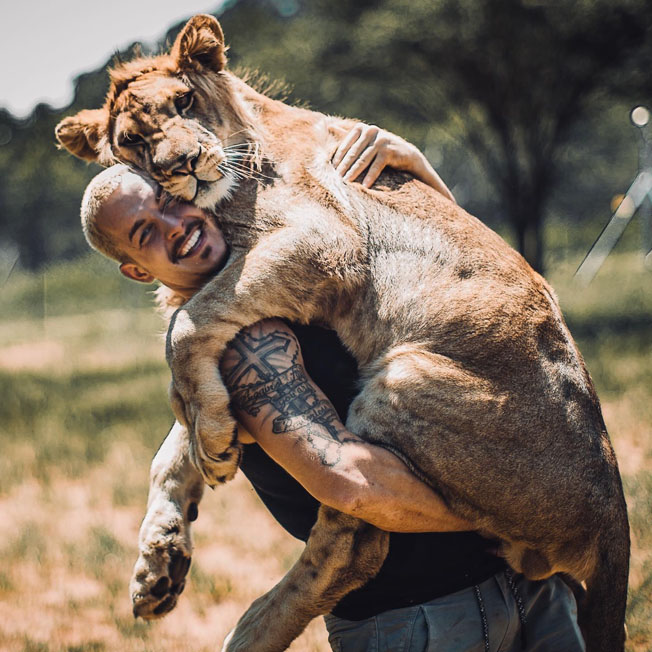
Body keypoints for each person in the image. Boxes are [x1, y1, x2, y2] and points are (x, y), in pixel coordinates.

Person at [79, 126, 584, 651]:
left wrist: (417, 168)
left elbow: (455, 289)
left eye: (169, 201)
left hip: (531, 588)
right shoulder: (241, 348)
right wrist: (521, 514)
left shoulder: (285, 263)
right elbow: (352, 484)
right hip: (422, 618)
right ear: (138, 272)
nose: (176, 225)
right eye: (146, 233)